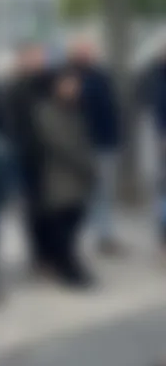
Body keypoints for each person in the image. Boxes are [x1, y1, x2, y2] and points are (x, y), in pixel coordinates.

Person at [27, 70, 94, 285]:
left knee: (73, 220)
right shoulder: (46, 111)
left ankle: (63, 263)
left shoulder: (76, 110)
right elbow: (59, 144)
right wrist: (85, 164)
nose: (73, 89)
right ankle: (66, 267)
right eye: (68, 85)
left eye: (75, 85)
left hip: (76, 179)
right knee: (61, 223)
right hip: (56, 178)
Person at [69, 39, 121, 252]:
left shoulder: (99, 77)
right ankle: (87, 235)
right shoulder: (74, 78)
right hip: (85, 145)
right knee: (86, 192)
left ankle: (103, 234)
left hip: (104, 142)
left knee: (103, 191)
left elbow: (110, 109)